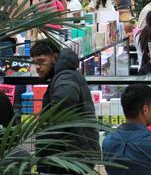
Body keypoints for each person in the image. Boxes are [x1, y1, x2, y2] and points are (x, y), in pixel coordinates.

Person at [30, 40, 100, 174]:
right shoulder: (65, 75)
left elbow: (62, 108)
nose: (37, 67)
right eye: (34, 62)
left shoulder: (64, 77)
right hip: (73, 154)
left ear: (55, 58)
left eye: (41, 60)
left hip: (68, 157)